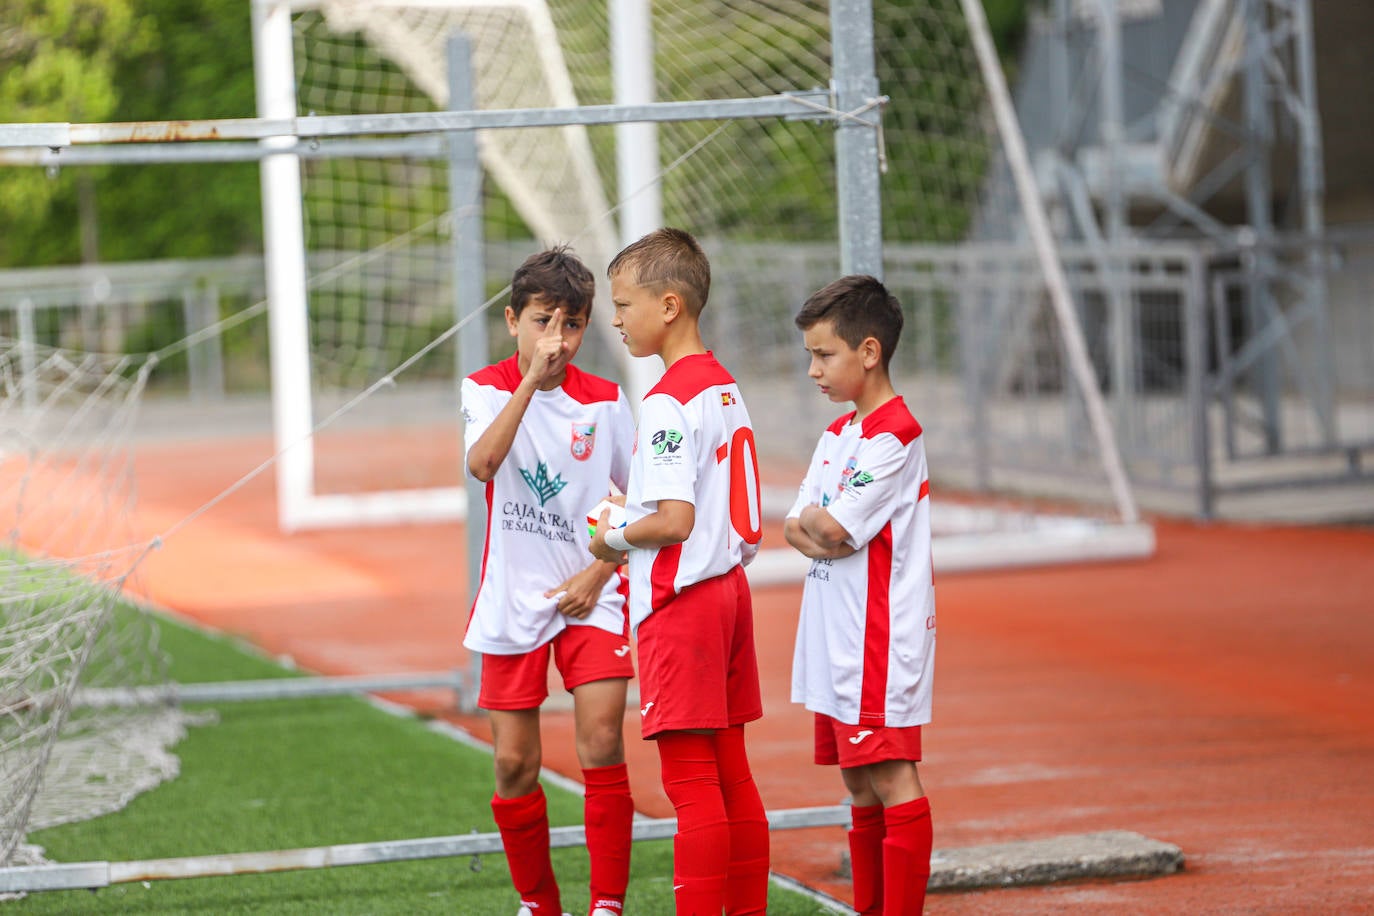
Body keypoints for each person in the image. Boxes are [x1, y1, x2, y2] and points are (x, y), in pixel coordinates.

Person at [588, 227, 770, 915]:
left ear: (669, 306)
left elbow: (673, 520)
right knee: (731, 774)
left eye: (623, 303)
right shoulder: (724, 385)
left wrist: (614, 537)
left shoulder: (667, 399)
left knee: (691, 783)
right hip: (729, 592)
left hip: (683, 598)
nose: (616, 318)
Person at [461, 246, 636, 916]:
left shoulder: (607, 402)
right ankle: (540, 902)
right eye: (542, 321)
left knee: (600, 740)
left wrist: (601, 568)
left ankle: (607, 904)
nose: (555, 339)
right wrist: (530, 383)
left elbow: (640, 499)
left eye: (570, 323)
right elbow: (483, 463)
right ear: (513, 321)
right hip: (514, 596)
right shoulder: (485, 388)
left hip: (592, 594)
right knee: (513, 766)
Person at [783, 275, 936, 915]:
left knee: (891, 775)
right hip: (833, 634)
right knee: (857, 782)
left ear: (868, 352)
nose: (813, 370)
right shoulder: (839, 436)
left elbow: (832, 525)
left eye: (824, 355)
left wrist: (827, 524)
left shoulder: (893, 434)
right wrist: (825, 526)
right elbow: (796, 524)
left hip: (877, 638)